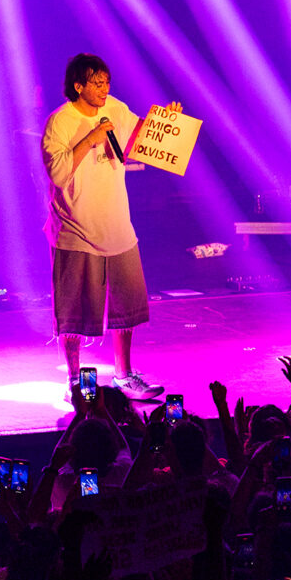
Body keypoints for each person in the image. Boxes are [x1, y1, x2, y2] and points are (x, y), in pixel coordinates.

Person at [40, 53, 182, 400]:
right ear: (78, 86)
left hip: (117, 226)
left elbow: (136, 144)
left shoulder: (115, 109)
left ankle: (125, 375)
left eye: (107, 82)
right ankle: (76, 381)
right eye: (97, 83)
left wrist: (165, 125)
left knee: (126, 309)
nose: (105, 89)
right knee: (73, 313)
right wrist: (90, 138)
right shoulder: (60, 122)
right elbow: (58, 174)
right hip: (75, 231)